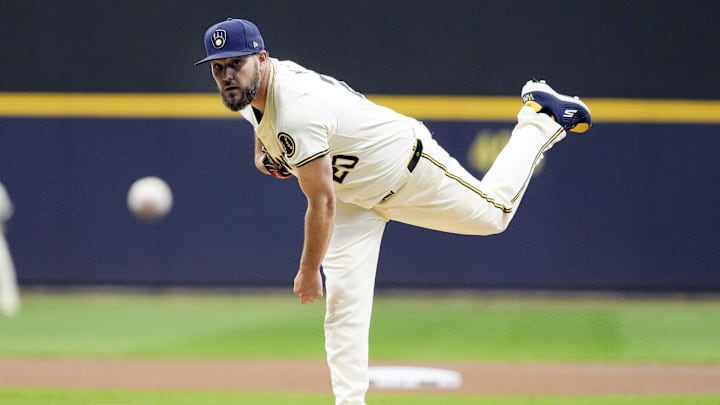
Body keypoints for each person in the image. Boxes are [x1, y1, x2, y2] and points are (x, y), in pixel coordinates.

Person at [195, 18, 592, 405]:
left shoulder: (296, 106)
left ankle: (540, 117)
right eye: (218, 68)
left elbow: (321, 202)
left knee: (495, 214)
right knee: (345, 307)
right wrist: (265, 157)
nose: (227, 75)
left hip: (406, 168)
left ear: (261, 59)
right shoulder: (251, 95)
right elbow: (262, 134)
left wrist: (308, 269)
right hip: (353, 197)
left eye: (236, 63)